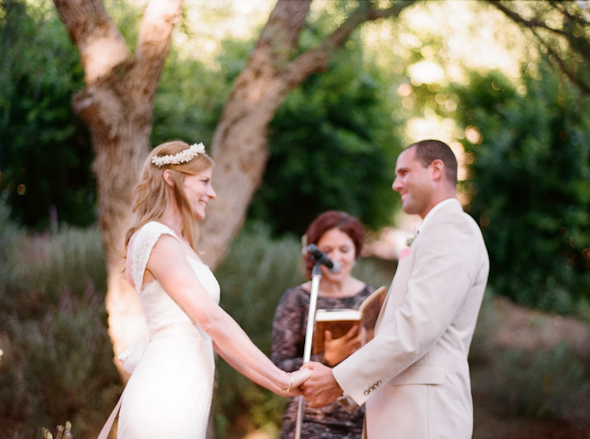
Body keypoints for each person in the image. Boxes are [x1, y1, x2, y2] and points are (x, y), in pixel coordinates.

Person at [98, 140, 310, 439]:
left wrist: (279, 384)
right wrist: (284, 378)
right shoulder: (157, 238)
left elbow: (216, 337)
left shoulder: (179, 244)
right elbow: (213, 319)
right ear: (171, 179)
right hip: (167, 389)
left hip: (187, 387)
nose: (211, 193)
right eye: (204, 182)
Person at [300, 140, 490, 439]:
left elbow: (417, 327)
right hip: (404, 415)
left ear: (436, 169)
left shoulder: (452, 227)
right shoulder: (433, 230)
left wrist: (338, 380)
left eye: (404, 173)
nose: (395, 184)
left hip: (424, 417)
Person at [271, 210, 379, 439]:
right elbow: (279, 368)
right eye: (327, 250)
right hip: (308, 421)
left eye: (344, 249)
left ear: (356, 252)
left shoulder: (372, 298)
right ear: (314, 253)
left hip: (362, 421)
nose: (336, 258)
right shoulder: (297, 299)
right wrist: (326, 358)